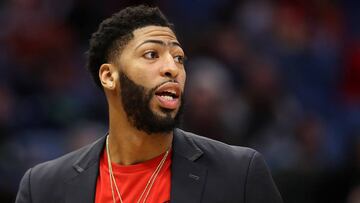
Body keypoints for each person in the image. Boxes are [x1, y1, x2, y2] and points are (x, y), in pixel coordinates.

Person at [15, 5, 282, 203]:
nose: (172, 68)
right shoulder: (42, 188)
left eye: (178, 58)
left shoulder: (239, 174)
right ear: (109, 76)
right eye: (151, 54)